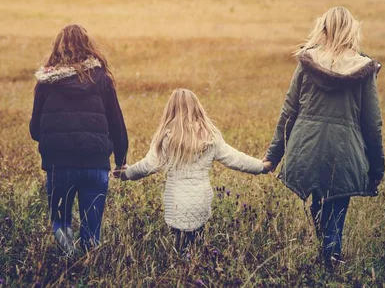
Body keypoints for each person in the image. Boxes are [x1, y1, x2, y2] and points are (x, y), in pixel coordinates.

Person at [263, 7, 384, 267]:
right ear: (353, 30)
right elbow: (372, 124)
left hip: (307, 150)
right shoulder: (363, 69)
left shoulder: (308, 63)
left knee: (319, 207)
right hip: (345, 154)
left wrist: (273, 156)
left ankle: (326, 260)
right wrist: (377, 167)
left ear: (323, 29)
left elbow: (289, 111)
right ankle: (330, 263)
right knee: (335, 215)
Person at [115, 89, 271, 252]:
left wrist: (127, 174)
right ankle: (195, 269)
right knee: (196, 245)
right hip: (200, 202)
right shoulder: (210, 136)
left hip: (176, 203)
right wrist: (261, 166)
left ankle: (182, 271)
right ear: (198, 108)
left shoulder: (166, 138)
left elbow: (147, 166)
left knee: (178, 248)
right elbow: (236, 159)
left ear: (170, 110)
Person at [29, 24, 128, 255]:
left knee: (61, 224)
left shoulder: (46, 82)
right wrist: (120, 158)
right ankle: (88, 267)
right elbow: (116, 123)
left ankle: (68, 261)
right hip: (95, 165)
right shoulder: (102, 78)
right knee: (92, 232)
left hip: (59, 166)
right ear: (88, 47)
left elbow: (35, 130)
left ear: (57, 48)